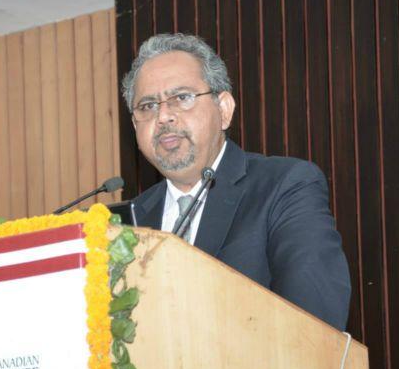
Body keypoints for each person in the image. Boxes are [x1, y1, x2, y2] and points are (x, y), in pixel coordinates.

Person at [122, 33, 352, 330]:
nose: (164, 115)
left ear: (224, 110)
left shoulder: (284, 186)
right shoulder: (130, 219)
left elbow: (315, 323)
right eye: (148, 106)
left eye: (181, 98)